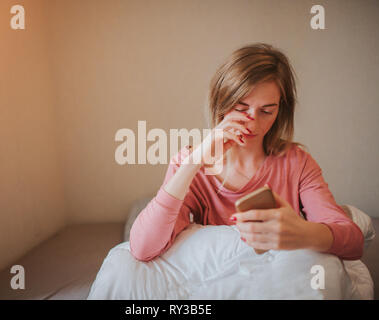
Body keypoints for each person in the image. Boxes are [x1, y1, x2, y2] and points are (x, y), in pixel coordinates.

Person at [129, 43, 364, 262]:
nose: (252, 124)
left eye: (266, 111)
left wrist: (303, 233)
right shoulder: (191, 165)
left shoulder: (296, 162)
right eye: (241, 109)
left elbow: (353, 242)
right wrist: (194, 162)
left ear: (280, 110)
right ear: (220, 103)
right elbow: (143, 249)